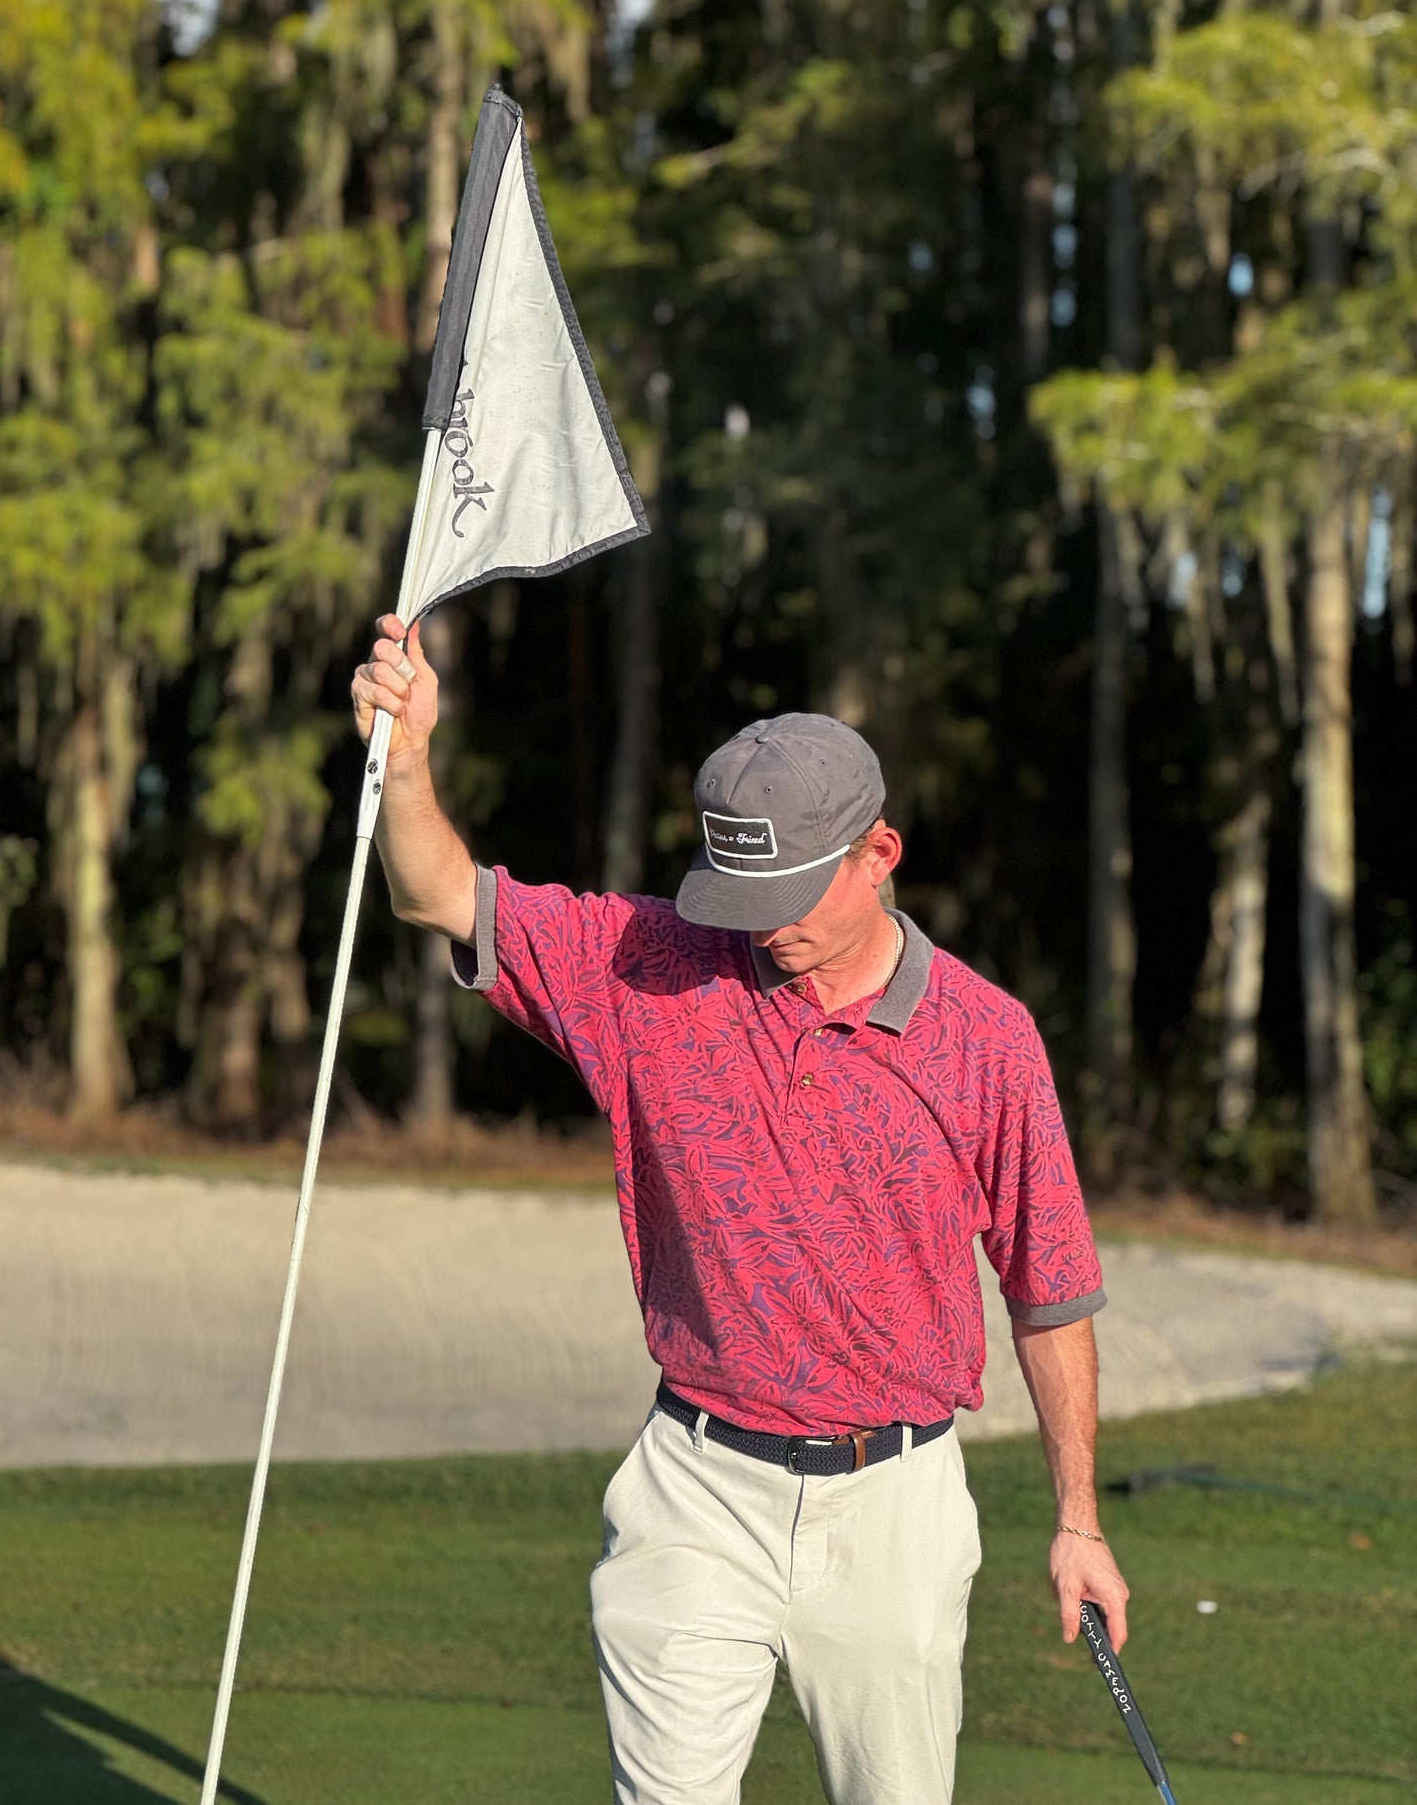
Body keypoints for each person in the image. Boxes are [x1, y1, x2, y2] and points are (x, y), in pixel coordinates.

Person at [352, 614, 1130, 1805]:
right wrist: (406, 761)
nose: (763, 923)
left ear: (879, 853)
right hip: (697, 1486)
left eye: (791, 890)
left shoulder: (986, 1040)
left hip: (893, 1506)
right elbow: (439, 894)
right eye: (741, 889)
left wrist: (1077, 1518)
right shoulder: (650, 964)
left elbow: (1050, 1289)